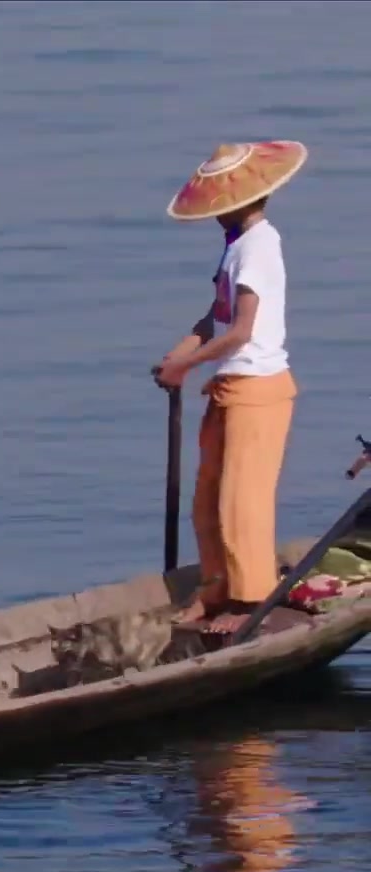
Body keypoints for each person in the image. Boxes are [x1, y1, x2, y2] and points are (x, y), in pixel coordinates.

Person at [154, 140, 307, 637]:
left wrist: (188, 369)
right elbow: (216, 318)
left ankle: (251, 599)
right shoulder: (235, 247)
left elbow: (242, 332)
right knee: (207, 499)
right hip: (229, 386)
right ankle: (216, 589)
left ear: (241, 201)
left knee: (242, 503)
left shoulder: (260, 246)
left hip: (258, 388)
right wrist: (181, 353)